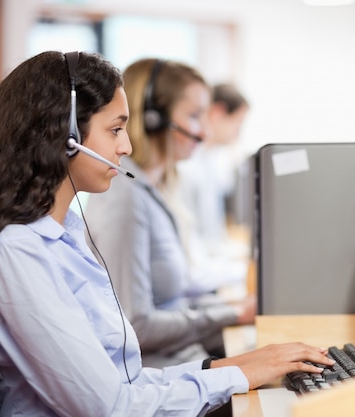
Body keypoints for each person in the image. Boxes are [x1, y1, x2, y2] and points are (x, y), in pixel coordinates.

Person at [0, 50, 334, 416]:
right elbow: (110, 408)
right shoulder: (18, 252)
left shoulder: (63, 234)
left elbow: (125, 384)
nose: (126, 146)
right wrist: (236, 373)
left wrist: (232, 366)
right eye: (115, 129)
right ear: (64, 133)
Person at [83, 58, 254, 367]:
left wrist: (233, 308)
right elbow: (136, 326)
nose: (203, 131)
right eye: (194, 115)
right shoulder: (125, 198)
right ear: (153, 119)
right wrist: (233, 312)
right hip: (161, 375)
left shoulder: (153, 188)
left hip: (183, 360)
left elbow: (173, 301)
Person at [177, 83, 250, 258]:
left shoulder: (210, 162)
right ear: (218, 113)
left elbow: (213, 236)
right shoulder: (188, 166)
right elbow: (195, 242)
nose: (238, 134)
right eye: (238, 123)